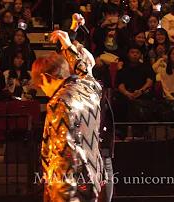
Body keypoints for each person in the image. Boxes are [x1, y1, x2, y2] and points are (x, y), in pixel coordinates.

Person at [33, 15, 106, 201]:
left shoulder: (60, 102)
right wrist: (68, 44)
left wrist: (60, 196)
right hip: (93, 179)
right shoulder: (90, 88)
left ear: (45, 78)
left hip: (72, 189)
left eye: (41, 86)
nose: (45, 92)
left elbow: (63, 155)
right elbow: (85, 72)